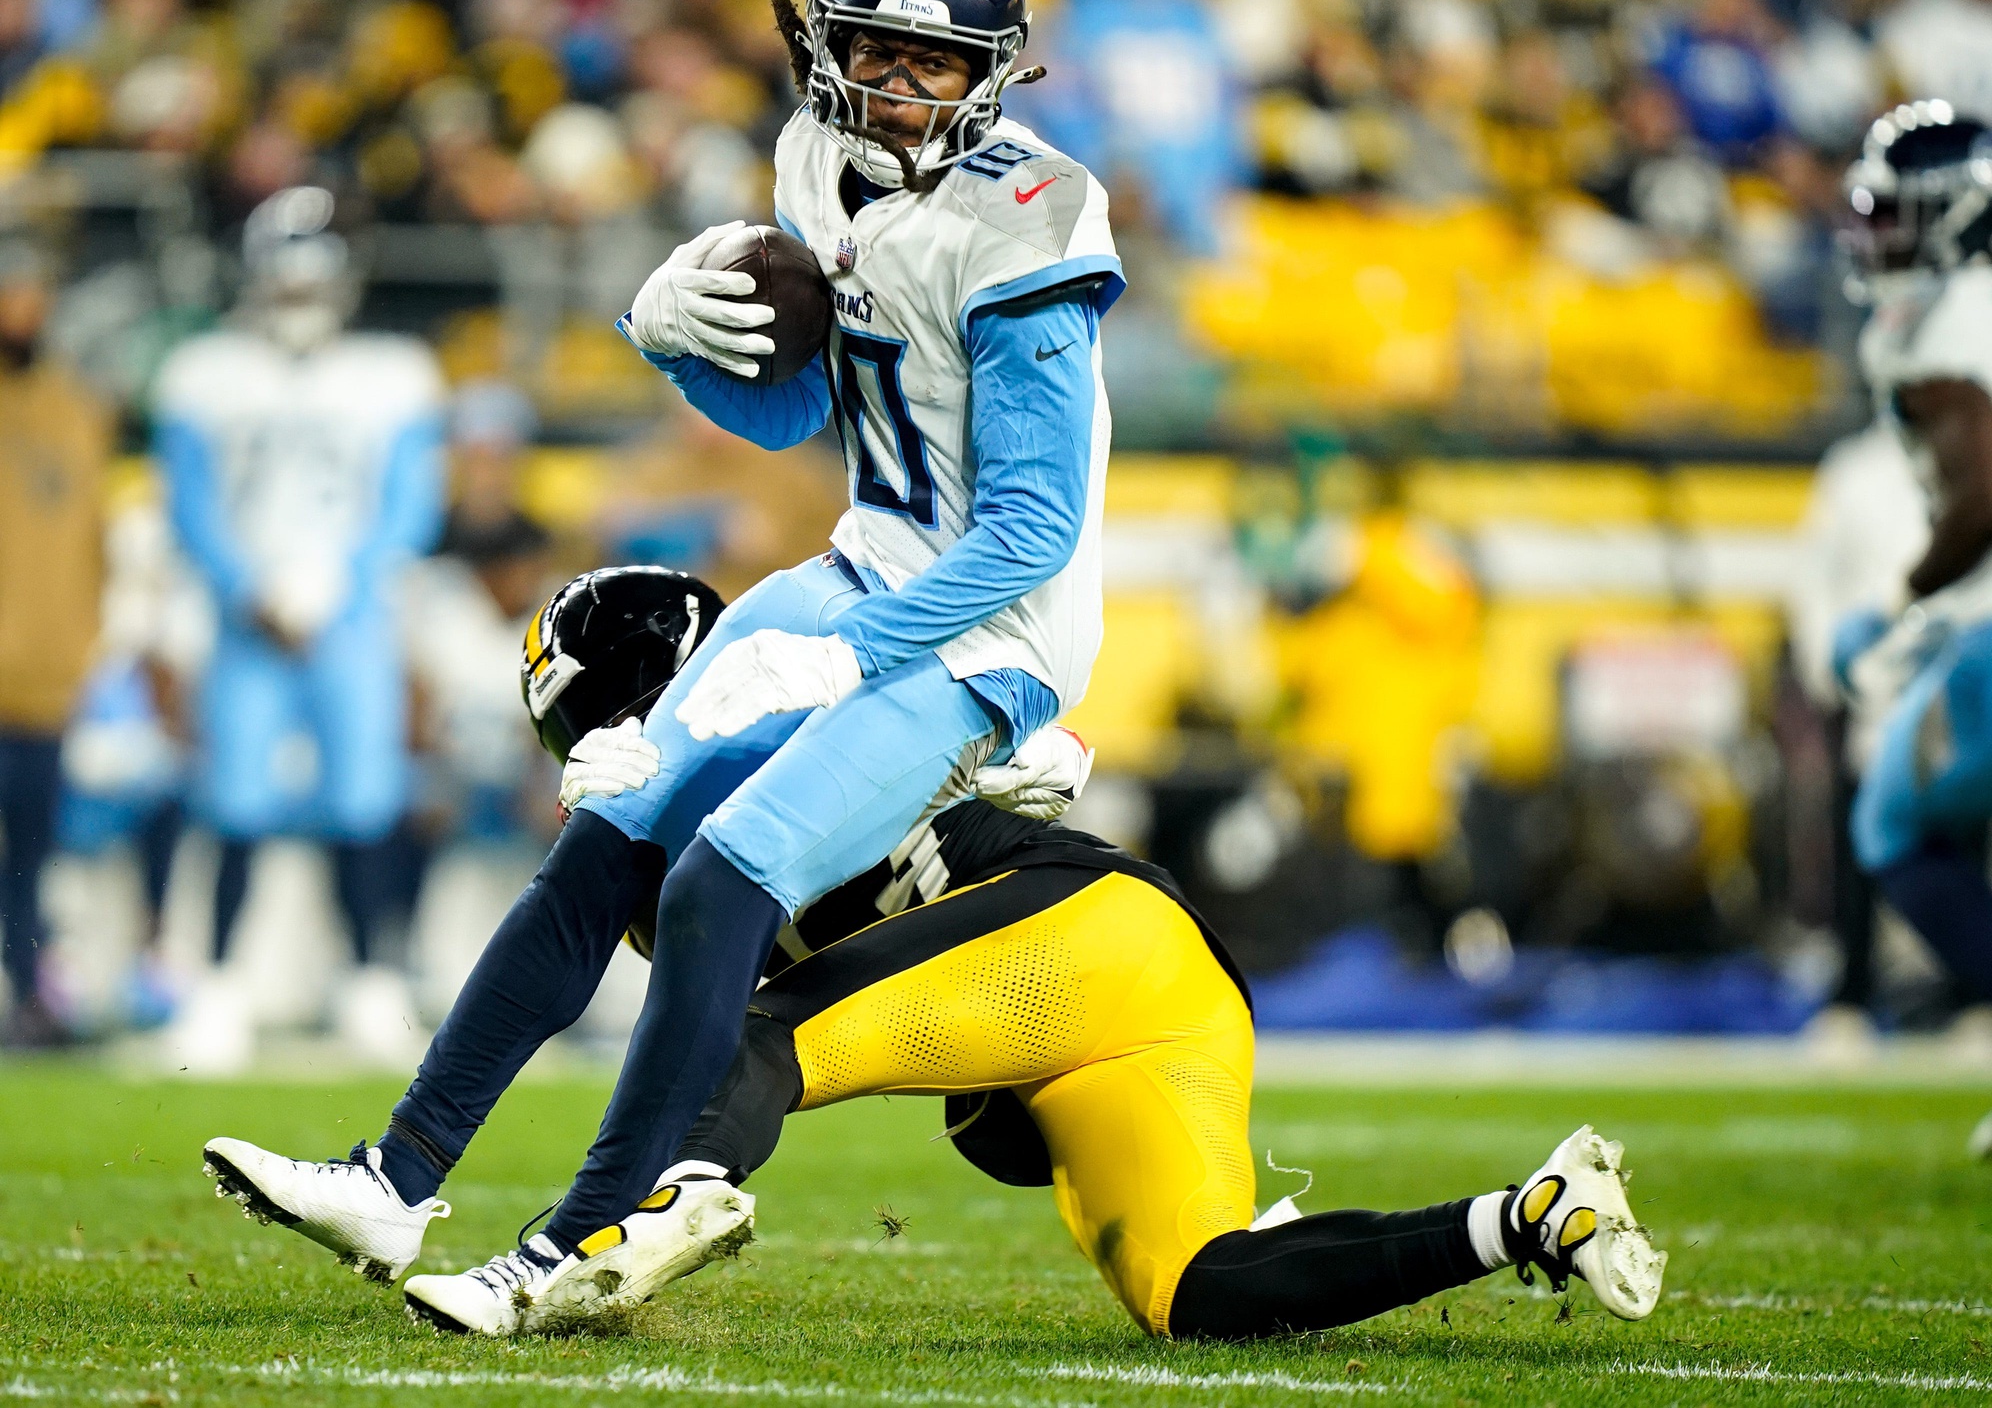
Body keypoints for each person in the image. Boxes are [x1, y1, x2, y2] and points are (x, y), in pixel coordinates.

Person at [201, 0, 1125, 1304]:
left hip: (982, 634)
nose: (892, 88)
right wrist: (669, 336)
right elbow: (804, 416)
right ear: (828, 42)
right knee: (609, 830)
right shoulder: (811, 164)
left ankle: (573, 1237)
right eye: (872, 50)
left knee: (721, 875)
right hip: (863, 565)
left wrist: (850, 654)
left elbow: (1030, 534)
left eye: (929, 61)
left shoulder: (1031, 223)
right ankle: (393, 1179)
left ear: (988, 75)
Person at [206, 566, 1666, 1338]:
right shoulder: (784, 728)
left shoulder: (763, 716)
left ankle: (615, 1226)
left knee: (756, 1031)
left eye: (595, 734)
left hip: (1080, 928)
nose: (596, 768)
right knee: (1201, 1292)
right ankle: (1521, 1217)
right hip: (1149, 991)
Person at [152, 186, 446, 1071]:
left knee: (367, 798)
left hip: (348, 617)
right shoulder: (206, 372)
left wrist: (337, 583)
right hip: (250, 618)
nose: (298, 302)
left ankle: (368, 980)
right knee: (233, 799)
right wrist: (252, 586)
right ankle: (217, 987)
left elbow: (410, 503)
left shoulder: (391, 375)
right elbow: (191, 503)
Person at [1833, 100, 1992, 1154]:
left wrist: (1900, 603)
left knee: (1893, 822)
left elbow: (1983, 491)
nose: (1878, 232)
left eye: (1899, 212)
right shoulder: (1938, 313)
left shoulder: (1959, 315)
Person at [0, 242, 108, 1048]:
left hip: (44, 683)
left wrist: (81, 647)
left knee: (33, 857)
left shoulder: (78, 411)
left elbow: (90, 545)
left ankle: (30, 997)